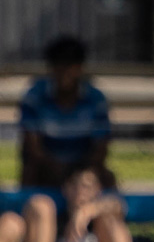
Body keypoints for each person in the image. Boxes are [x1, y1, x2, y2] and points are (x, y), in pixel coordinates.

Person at [19, 35, 112, 188]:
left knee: (105, 180)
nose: (64, 72)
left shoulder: (96, 99)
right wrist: (56, 168)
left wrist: (82, 173)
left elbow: (100, 149)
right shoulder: (35, 97)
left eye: (70, 65)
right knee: (31, 172)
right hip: (44, 168)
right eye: (59, 65)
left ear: (80, 68)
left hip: (83, 166)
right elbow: (32, 147)